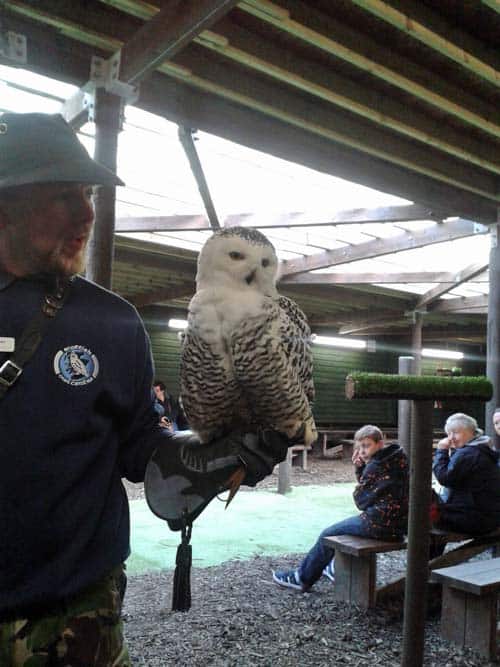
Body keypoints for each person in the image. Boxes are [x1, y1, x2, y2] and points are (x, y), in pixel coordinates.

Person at [0, 112, 290, 666]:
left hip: (73, 617)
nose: (88, 211)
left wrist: (216, 450)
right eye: (65, 195)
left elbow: (143, 450)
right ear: (6, 203)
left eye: (88, 193)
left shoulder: (111, 321)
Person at [272, 425, 409, 591]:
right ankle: (333, 566)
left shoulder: (376, 465)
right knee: (342, 529)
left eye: (366, 446)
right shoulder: (397, 458)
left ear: (380, 444)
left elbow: (361, 501)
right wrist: (362, 468)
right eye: (359, 447)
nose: (363, 451)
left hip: (381, 524)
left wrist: (361, 468)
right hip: (400, 524)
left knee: (328, 534)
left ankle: (301, 578)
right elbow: (375, 488)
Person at [431, 412, 500, 535]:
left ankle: (424, 554)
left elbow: (444, 478)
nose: (451, 438)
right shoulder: (483, 448)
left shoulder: (468, 453)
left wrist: (441, 451)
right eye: (449, 434)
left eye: (455, 432)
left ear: (471, 432)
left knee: (424, 517)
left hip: (475, 519)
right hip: (489, 516)